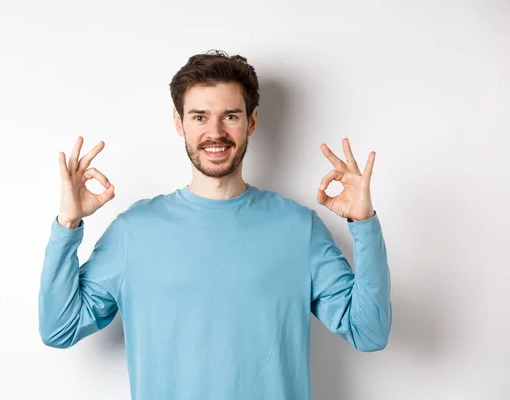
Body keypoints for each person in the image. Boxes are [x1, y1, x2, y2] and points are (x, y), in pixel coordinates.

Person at [38, 49, 392, 400]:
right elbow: (59, 328)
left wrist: (363, 224)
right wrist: (67, 225)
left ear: (251, 121)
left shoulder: (299, 228)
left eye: (231, 116)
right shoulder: (134, 231)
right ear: (179, 123)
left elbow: (369, 332)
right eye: (199, 117)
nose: (215, 132)